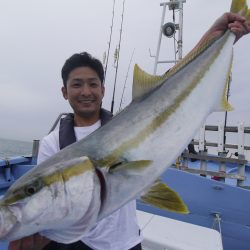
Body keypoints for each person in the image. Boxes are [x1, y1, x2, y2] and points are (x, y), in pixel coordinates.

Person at [9, 12, 250, 250]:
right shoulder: (53, 143)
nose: (85, 91)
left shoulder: (130, 121)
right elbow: (54, 205)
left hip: (125, 243)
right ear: (64, 91)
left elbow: (172, 82)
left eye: (93, 84)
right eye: (76, 84)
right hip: (77, 244)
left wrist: (218, 36)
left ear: (103, 90)